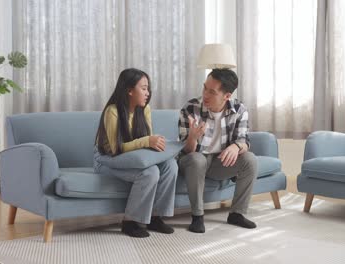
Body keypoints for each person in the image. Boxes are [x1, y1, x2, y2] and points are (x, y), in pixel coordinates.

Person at [94, 68, 178, 238]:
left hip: (133, 157)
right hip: (107, 159)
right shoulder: (113, 111)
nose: (148, 93)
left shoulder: (144, 109)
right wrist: (147, 141)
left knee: (171, 165)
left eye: (148, 88)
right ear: (129, 90)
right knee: (150, 172)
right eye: (144, 88)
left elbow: (147, 143)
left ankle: (155, 217)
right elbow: (116, 149)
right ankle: (130, 221)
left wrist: (157, 146)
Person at [178, 68, 258, 233]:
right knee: (197, 159)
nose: (205, 94)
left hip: (218, 162)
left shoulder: (239, 109)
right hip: (193, 160)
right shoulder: (191, 108)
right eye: (204, 88)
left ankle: (237, 213)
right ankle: (197, 216)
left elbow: (244, 140)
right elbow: (186, 151)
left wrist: (236, 147)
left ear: (227, 96)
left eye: (212, 92)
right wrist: (192, 137)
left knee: (250, 160)